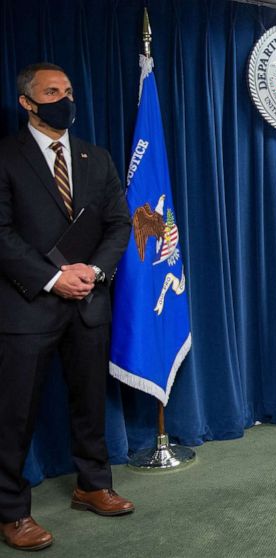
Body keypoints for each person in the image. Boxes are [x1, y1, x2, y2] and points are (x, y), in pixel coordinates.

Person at [0, 63, 133, 551]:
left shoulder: (95, 158)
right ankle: (12, 511)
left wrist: (92, 273)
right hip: (26, 306)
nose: (64, 99)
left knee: (89, 402)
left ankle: (93, 485)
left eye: (69, 90)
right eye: (52, 91)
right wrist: (54, 278)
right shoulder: (7, 157)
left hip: (89, 300)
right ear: (27, 102)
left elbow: (119, 225)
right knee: (14, 414)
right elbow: (1, 233)